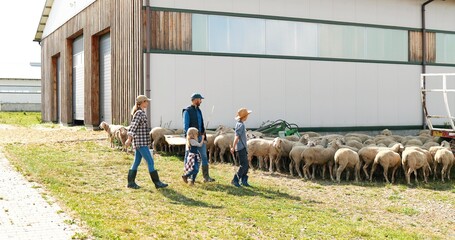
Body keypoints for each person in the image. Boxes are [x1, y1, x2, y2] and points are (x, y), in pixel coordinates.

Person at [125, 95, 168, 189]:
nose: (148, 103)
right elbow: (133, 127)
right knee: (150, 162)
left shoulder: (140, 113)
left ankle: (130, 183)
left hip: (141, 142)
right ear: (142, 102)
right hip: (141, 143)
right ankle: (157, 183)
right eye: (146, 101)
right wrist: (129, 139)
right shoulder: (139, 113)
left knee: (136, 162)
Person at [182, 93, 215, 182]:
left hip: (201, 136)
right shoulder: (187, 111)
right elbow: (186, 127)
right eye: (200, 99)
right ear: (196, 100)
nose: (201, 101)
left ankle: (206, 177)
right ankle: (187, 175)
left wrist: (204, 137)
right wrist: (189, 139)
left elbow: (201, 125)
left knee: (204, 156)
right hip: (192, 138)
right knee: (188, 156)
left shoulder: (199, 110)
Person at [230, 108, 252, 187]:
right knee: (244, 165)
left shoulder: (241, 124)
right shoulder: (240, 125)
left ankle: (244, 180)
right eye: (247, 115)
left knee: (246, 165)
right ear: (244, 116)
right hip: (240, 147)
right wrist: (233, 147)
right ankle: (235, 180)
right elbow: (237, 137)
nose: (247, 117)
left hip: (243, 147)